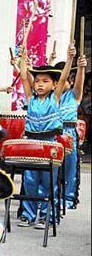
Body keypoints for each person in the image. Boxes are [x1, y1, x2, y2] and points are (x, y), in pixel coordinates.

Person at [17, 44, 74, 228]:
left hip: (50, 144)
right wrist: (23, 59)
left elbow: (64, 75)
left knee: (49, 182)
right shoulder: (30, 97)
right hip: (32, 143)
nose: (40, 84)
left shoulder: (55, 98)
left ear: (54, 84)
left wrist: (70, 58)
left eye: (45, 81)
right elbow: (24, 76)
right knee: (30, 179)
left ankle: (48, 217)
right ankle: (28, 214)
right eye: (38, 81)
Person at [55, 54, 87, 209]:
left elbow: (80, 85)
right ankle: (51, 195)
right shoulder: (51, 96)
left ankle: (68, 197)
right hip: (52, 133)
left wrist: (81, 67)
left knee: (70, 165)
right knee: (52, 167)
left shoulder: (74, 95)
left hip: (69, 133)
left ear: (71, 80)